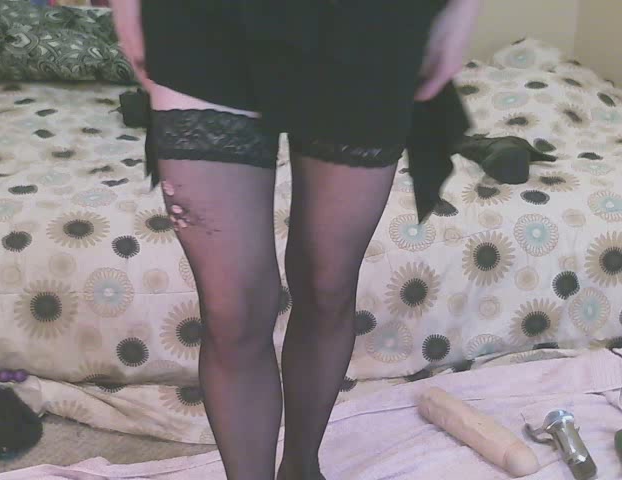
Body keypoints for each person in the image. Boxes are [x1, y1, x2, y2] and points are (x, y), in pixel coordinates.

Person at [112, 1, 481, 479]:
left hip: (371, 18)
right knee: (232, 308)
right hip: (197, 14)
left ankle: (302, 470)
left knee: (327, 285)